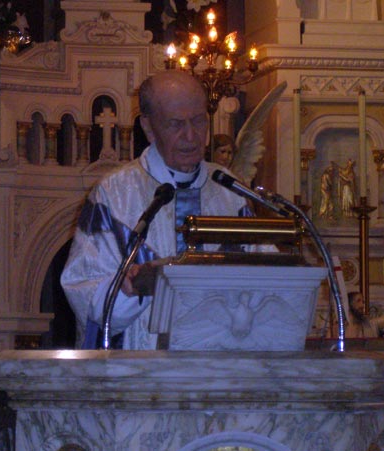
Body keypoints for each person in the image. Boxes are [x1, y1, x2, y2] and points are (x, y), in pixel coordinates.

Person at [61, 71, 269, 350]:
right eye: (176, 124)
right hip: (141, 378)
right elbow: (84, 294)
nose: (191, 136)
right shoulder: (115, 195)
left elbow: (267, 282)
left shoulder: (230, 193)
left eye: (198, 121)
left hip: (217, 373)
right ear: (148, 128)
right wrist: (134, 287)